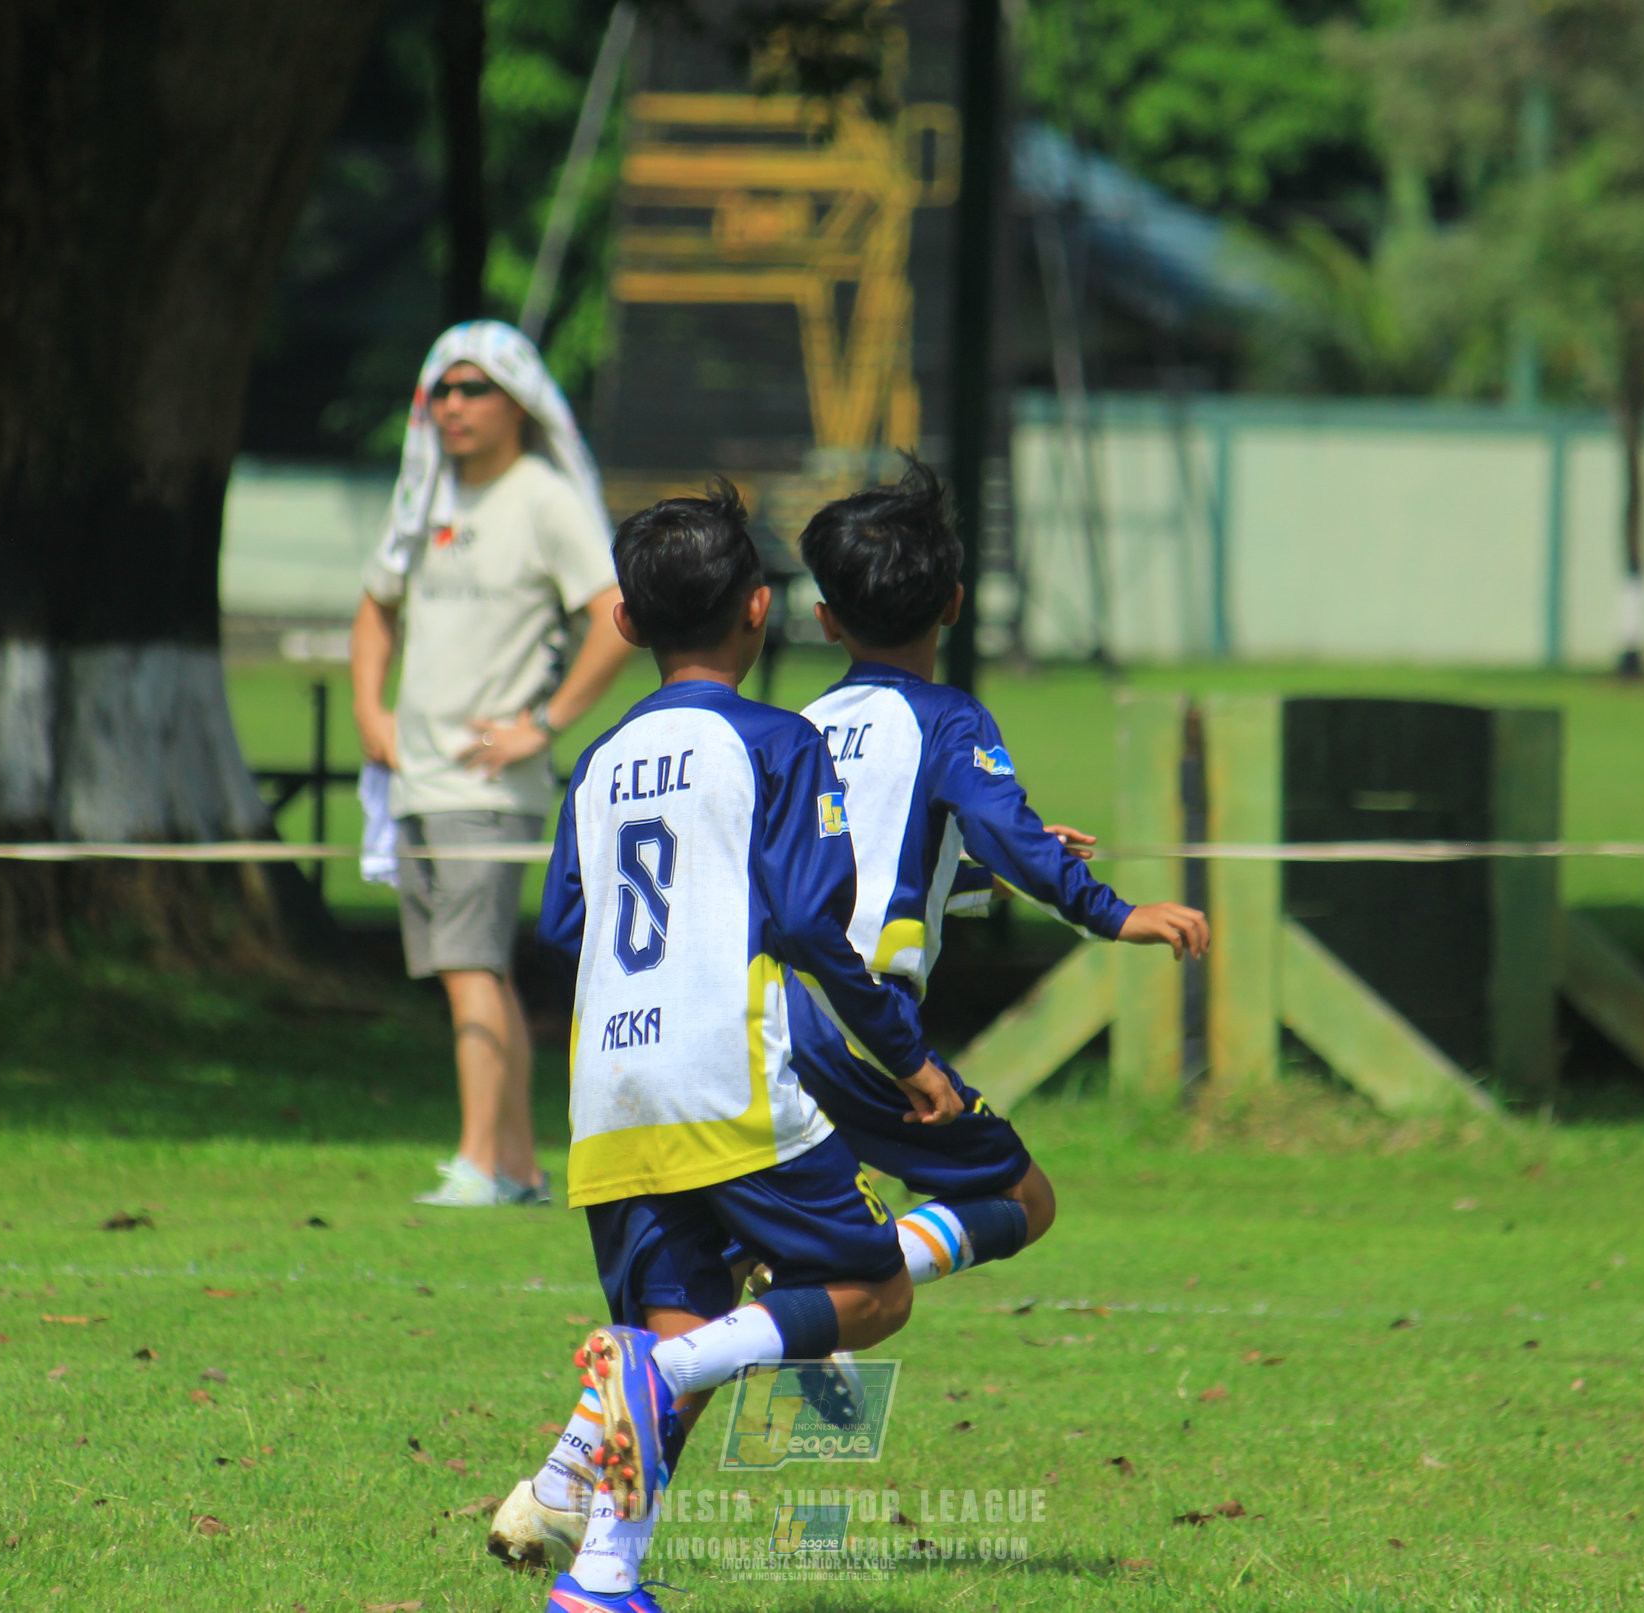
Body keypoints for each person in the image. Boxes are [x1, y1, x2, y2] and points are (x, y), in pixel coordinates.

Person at [493, 481, 961, 1609]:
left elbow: (562, 925)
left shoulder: (599, 761)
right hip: (726, 1073)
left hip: (610, 1089)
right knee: (872, 1288)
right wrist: (908, 1056)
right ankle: (669, 1369)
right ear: (760, 607)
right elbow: (808, 922)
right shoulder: (779, 742)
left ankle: (602, 1576)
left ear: (624, 625)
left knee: (673, 1313)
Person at [790, 456, 1207, 1288]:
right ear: (954, 603)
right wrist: (1114, 912)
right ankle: (842, 1270)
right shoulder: (946, 719)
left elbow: (872, 861)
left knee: (775, 1212)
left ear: (825, 620)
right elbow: (1003, 832)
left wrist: (975, 869)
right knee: (1020, 1197)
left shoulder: (795, 729)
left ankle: (675, 1373)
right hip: (863, 1022)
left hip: (765, 1017)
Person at [352, 322, 632, 1208]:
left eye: (476, 389)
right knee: (468, 969)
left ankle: (477, 1159)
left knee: (470, 963)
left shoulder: (544, 498)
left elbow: (614, 611)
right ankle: (516, 1166)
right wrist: (371, 710)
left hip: (486, 782)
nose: (457, 407)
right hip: (417, 775)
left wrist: (539, 725)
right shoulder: (425, 491)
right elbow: (375, 604)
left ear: (519, 402)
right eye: (444, 390)